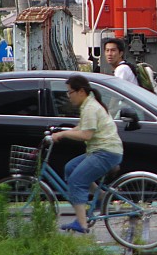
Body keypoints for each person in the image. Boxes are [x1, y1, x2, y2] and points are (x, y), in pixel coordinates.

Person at [49, 75, 123, 234]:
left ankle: (82, 224)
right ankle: (101, 197)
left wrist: (63, 135)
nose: (68, 97)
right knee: (70, 168)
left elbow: (86, 135)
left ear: (81, 91)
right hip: (102, 150)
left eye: (70, 92)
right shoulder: (89, 104)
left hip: (106, 152)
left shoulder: (90, 107)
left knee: (76, 180)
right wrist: (61, 131)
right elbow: (81, 127)